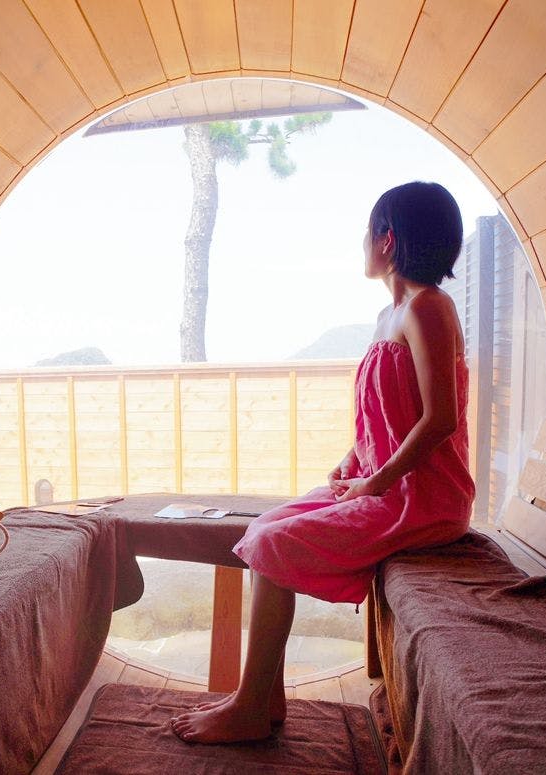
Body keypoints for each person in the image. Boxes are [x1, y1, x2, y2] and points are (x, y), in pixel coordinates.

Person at [170, 181, 476, 744]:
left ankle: (248, 705)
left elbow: (440, 420)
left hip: (423, 498)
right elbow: (385, 413)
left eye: (367, 232)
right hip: (382, 484)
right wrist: (351, 462)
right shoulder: (390, 315)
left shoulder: (430, 307)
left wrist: (374, 484)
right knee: (263, 529)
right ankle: (265, 696)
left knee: (274, 543)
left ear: (387, 239)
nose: (362, 243)